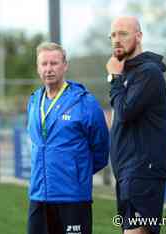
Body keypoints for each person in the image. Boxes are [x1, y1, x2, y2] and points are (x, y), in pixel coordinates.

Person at [27, 42, 109, 234]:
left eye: (54, 63)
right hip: (39, 195)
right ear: (38, 68)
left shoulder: (84, 102)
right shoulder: (33, 101)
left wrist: (76, 172)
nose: (49, 69)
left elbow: (101, 148)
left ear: (65, 65)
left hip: (72, 197)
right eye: (44, 64)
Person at [106, 16, 166, 234]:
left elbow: (124, 112)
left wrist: (114, 78)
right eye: (113, 35)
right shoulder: (129, 72)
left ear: (139, 36)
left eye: (123, 34)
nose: (116, 40)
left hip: (142, 171)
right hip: (128, 172)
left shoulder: (148, 72)